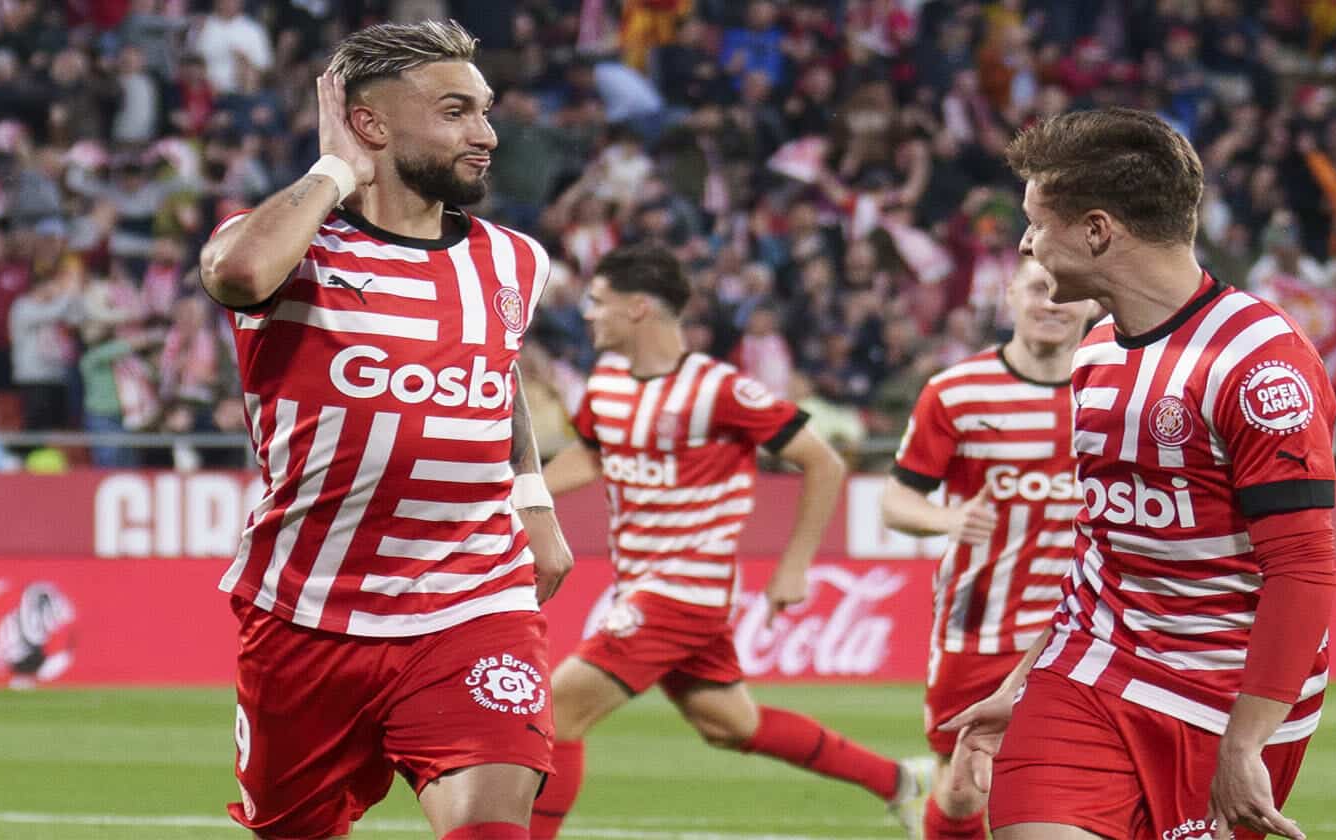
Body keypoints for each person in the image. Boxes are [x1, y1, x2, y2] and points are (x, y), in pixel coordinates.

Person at [196, 20, 574, 840]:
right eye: (455, 112)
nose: (486, 133)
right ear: (370, 123)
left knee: (490, 826)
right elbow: (238, 276)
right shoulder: (287, 247)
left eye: (484, 110)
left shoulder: (515, 260)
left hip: (473, 597)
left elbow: (498, 366)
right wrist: (336, 168)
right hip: (307, 611)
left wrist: (533, 498)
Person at [941, 108, 1336, 840]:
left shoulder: (1258, 362)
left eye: (1036, 223)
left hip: (1223, 699)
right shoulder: (1095, 352)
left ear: (1097, 231)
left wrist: (1246, 742)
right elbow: (1102, 546)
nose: (1025, 244)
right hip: (1087, 673)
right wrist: (1022, 682)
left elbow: (1302, 568)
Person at [532, 243, 933, 838]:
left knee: (557, 713)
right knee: (729, 723)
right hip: (640, 585)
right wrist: (519, 497)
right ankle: (901, 782)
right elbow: (592, 455)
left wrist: (794, 566)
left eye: (598, 301)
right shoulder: (608, 383)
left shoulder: (718, 389)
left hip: (684, 591)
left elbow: (822, 462)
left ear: (638, 307)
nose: (587, 313)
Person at [881, 258, 1095, 840]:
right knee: (961, 791)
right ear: (1010, 296)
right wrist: (947, 518)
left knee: (1063, 796)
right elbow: (896, 501)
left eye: (1064, 291)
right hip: (980, 624)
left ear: (1092, 300)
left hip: (1086, 628)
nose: (1051, 303)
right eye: (1037, 288)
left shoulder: (1117, 388)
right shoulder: (956, 392)